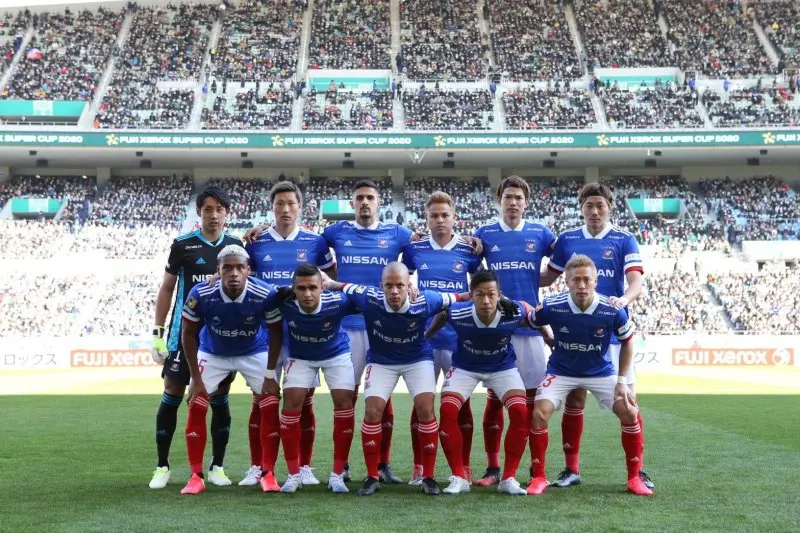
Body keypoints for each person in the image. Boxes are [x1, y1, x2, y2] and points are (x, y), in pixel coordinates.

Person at [247, 179, 411, 483]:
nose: (365, 202)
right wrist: (259, 229)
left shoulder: (398, 233)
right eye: (359, 197)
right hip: (345, 327)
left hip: (383, 323)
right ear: (352, 203)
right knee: (345, 395)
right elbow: (320, 272)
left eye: (370, 197)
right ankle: (339, 466)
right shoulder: (333, 234)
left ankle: (382, 464)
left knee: (381, 395)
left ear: (379, 202)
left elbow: (425, 243)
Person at [539, 182, 653, 489]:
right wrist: (509, 278)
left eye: (600, 205)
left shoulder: (623, 239)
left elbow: (635, 282)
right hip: (577, 332)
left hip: (613, 332)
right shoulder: (568, 239)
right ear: (581, 208)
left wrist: (622, 301)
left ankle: (638, 471)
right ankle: (571, 469)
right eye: (588, 205)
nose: (594, 211)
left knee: (628, 400)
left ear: (609, 207)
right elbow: (547, 277)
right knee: (575, 397)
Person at [323, 262, 466, 496]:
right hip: (381, 361)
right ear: (381, 287)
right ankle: (372, 476)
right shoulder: (370, 297)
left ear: (409, 286)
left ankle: (428, 477)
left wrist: (494, 297)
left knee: (425, 409)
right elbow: (344, 286)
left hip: (417, 360)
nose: (395, 291)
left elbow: (460, 296)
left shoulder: (426, 300)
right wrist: (329, 283)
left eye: (400, 285)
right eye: (389, 286)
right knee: (372, 411)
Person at [527, 254, 652, 496]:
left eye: (587, 280)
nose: (582, 285)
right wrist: (548, 337)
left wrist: (622, 381)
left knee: (629, 411)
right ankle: (539, 477)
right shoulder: (552, 305)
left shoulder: (611, 309)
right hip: (561, 371)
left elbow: (628, 342)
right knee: (539, 413)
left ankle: (635, 478)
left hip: (600, 372)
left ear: (596, 281)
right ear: (567, 281)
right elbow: (532, 319)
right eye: (576, 280)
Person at [240, 181, 337, 487]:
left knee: (304, 400)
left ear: (300, 207)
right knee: (261, 399)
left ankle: (304, 467)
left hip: (301, 335)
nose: (285, 209)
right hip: (265, 335)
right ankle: (258, 466)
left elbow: (330, 280)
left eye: (290, 204)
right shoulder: (255, 242)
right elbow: (244, 280)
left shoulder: (315, 242)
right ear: (272, 208)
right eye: (279, 204)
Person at [149, 186, 243, 490]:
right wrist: (157, 333)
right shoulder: (182, 245)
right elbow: (167, 288)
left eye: (219, 209)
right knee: (172, 392)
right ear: (199, 212)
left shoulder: (235, 246)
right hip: (183, 333)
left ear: (227, 213)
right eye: (208, 209)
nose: (213, 215)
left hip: (219, 337)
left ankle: (217, 466)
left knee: (219, 397)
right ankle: (162, 466)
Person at [178, 245, 284, 495]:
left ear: (248, 270)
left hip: (254, 351)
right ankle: (196, 476)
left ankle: (268, 473)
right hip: (213, 352)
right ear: (218, 270)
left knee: (270, 402)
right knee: (197, 402)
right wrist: (195, 378)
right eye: (227, 268)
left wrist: (270, 374)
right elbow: (188, 333)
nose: (233, 273)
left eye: (239, 267)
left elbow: (276, 333)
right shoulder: (201, 293)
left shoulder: (264, 293)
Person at [472, 176, 555, 486]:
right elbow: (472, 274)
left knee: (532, 402)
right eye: (508, 197)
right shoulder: (484, 234)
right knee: (495, 399)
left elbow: (561, 262)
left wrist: (537, 282)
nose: (513, 202)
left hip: (530, 328)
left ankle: (536, 469)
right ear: (500, 200)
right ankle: (493, 469)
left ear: (526, 202)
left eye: (519, 197)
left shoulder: (541, 233)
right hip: (496, 328)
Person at [426, 269, 534, 496]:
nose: (486, 300)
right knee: (447, 409)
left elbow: (533, 314)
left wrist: (550, 337)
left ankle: (508, 478)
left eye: (491, 294)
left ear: (499, 295)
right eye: (479, 294)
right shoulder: (458, 312)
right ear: (471, 295)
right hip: (465, 368)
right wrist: (427, 335)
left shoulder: (513, 311)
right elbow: (443, 315)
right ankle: (459, 477)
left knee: (520, 412)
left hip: (502, 368)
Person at [401, 191, 481, 485]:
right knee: (421, 404)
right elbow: (402, 278)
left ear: (454, 217)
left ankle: (464, 465)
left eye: (445, 215)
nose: (439, 220)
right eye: (433, 215)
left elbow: (480, 287)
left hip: (458, 337)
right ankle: (419, 466)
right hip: (423, 338)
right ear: (426, 217)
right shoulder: (414, 249)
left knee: (461, 404)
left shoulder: (470, 250)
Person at [265, 263, 360, 494]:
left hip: (336, 354)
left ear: (321, 287)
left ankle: (337, 475)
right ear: (293, 289)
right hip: (301, 357)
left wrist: (337, 284)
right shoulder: (282, 300)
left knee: (344, 404)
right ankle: (293, 475)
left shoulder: (338, 301)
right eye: (301, 288)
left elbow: (370, 296)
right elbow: (254, 288)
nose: (307, 294)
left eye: (313, 288)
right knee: (291, 404)